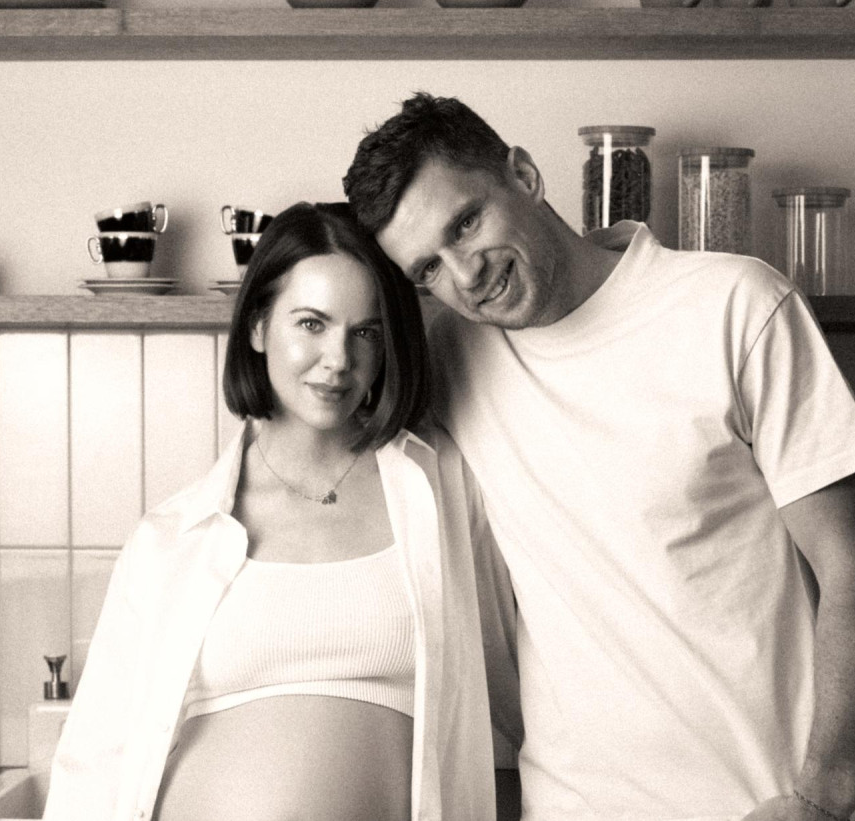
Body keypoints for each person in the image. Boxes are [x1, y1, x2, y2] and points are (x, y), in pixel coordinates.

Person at [343, 93, 855, 821]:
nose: (465, 275)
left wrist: (825, 793)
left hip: (761, 805)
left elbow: (854, 562)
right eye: (428, 270)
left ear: (524, 176)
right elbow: (326, 407)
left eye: (466, 223)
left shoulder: (734, 305)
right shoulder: (451, 357)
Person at [42, 201, 517, 821]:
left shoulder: (446, 493)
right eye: (312, 324)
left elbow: (521, 691)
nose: (338, 359)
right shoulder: (173, 537)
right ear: (259, 328)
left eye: (366, 332)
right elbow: (94, 760)